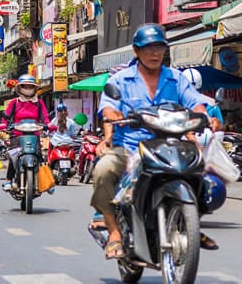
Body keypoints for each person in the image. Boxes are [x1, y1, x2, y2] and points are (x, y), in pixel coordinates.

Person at [91, 24, 216, 260]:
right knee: (103, 170)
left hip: (169, 146)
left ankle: (191, 223)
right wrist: (115, 116)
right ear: (136, 51)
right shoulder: (120, 79)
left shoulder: (176, 78)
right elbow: (108, 107)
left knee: (199, 168)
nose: (155, 53)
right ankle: (114, 232)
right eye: (148, 48)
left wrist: (205, 117)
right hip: (129, 148)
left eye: (159, 47)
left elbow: (195, 103)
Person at [1, 74, 50, 191]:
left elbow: (46, 117)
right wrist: (3, 125)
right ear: (20, 87)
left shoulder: (39, 103)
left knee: (40, 157)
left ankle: (45, 181)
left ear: (34, 88)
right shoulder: (15, 103)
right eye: (25, 86)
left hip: (34, 135)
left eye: (30, 86)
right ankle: (9, 180)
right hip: (17, 135)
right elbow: (6, 118)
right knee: (14, 156)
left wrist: (49, 125)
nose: (28, 89)